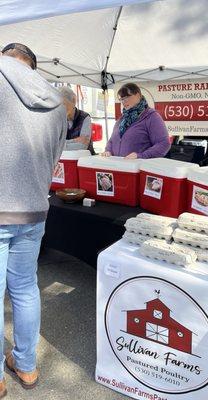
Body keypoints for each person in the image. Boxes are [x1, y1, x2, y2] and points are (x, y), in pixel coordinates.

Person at [0, 43, 67, 397]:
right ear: (33, 66)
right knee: (25, 289)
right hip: (34, 209)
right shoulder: (56, 100)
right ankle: (26, 367)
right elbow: (55, 157)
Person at [102, 83, 170, 159]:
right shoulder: (122, 119)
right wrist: (108, 151)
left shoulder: (152, 117)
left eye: (126, 97)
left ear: (137, 95)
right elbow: (112, 141)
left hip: (140, 168)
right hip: (119, 168)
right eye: (121, 99)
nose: (123, 101)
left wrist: (141, 156)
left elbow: (164, 144)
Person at [59, 86, 95, 154]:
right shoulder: (59, 119)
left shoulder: (85, 117)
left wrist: (62, 145)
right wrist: (75, 140)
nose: (61, 108)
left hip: (83, 160)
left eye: (63, 104)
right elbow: (54, 144)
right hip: (65, 159)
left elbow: (83, 146)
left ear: (73, 101)